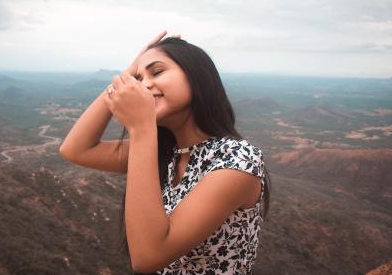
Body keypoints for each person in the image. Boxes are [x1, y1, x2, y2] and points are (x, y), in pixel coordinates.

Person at [59, 31, 270, 275]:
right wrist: (127, 75)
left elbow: (147, 257)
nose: (144, 84)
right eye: (139, 78)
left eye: (156, 72)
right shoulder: (167, 152)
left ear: (196, 76)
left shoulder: (237, 161)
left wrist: (141, 127)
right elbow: (75, 149)